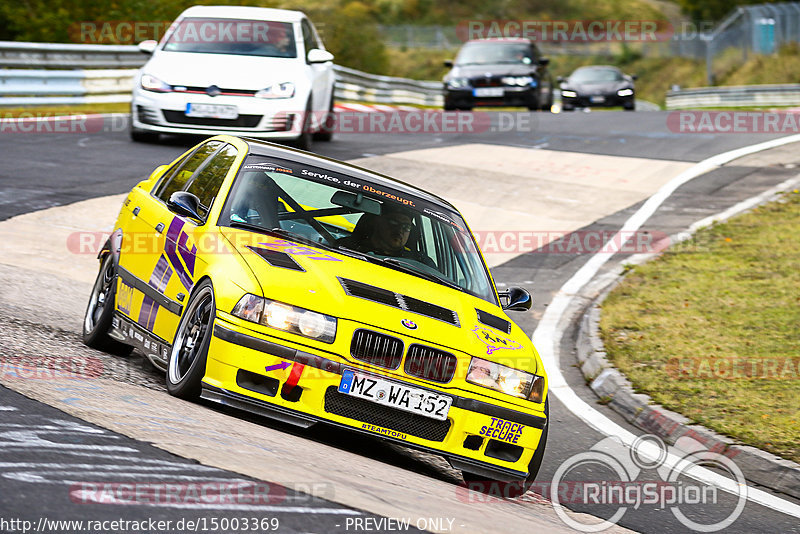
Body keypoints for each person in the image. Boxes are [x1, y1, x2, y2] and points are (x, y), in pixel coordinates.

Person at [342, 206, 435, 266]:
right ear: (377, 223)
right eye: (394, 222)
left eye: (406, 227)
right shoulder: (346, 248)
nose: (400, 230)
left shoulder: (421, 263)